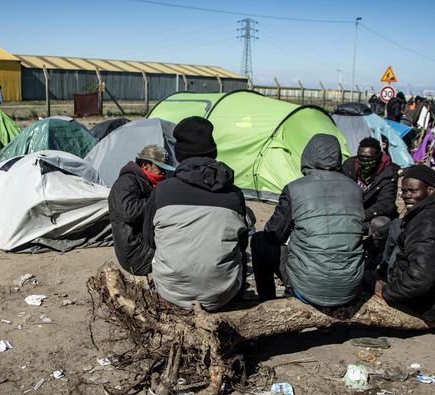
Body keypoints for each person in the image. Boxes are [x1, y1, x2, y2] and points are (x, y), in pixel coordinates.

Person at [142, 116, 248, 311]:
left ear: (179, 155)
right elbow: (242, 243)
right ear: (213, 151)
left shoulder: (162, 191)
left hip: (171, 291)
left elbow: (150, 239)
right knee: (241, 256)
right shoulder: (234, 194)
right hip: (222, 294)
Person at [251, 134, 365, 306]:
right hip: (349, 288)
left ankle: (268, 302)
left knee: (259, 240)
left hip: (308, 288)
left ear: (307, 157)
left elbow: (273, 234)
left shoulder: (295, 188)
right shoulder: (355, 189)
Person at [375, 165, 435, 322]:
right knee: (396, 225)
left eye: (413, 191)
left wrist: (388, 292)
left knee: (368, 283)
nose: (406, 195)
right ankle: (383, 269)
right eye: (404, 191)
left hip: (430, 305)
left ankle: (384, 275)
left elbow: (421, 279)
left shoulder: (425, 224)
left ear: (430, 190)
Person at [108, 144, 175, 276]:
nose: (163, 172)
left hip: (145, 243)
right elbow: (129, 212)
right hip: (136, 252)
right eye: (159, 168)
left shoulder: (149, 181)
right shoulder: (126, 182)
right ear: (145, 165)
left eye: (165, 168)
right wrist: (159, 201)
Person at [342, 137, 399, 238]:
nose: (364, 160)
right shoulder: (349, 166)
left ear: (378, 156)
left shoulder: (389, 172)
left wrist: (360, 216)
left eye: (369, 158)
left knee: (380, 223)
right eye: (361, 156)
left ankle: (374, 250)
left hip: (374, 215)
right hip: (351, 211)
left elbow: (385, 205)